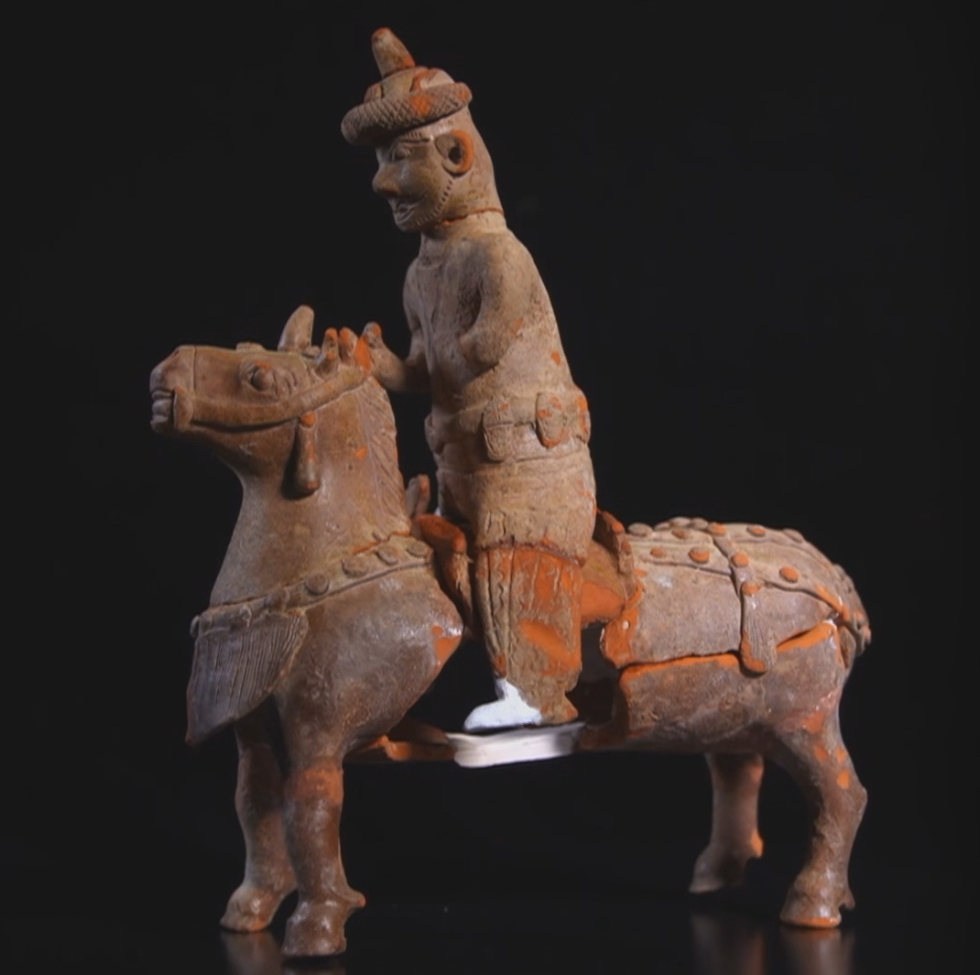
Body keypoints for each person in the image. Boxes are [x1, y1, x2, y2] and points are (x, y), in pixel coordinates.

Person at [342, 29, 596, 730]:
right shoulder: (419, 273)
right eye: (382, 162)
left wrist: (414, 365)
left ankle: (538, 693)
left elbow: (477, 354)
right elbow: (426, 368)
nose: (383, 182)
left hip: (527, 469)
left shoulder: (498, 258)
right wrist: (382, 366)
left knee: (514, 562)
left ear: (456, 155)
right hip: (461, 467)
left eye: (400, 158)